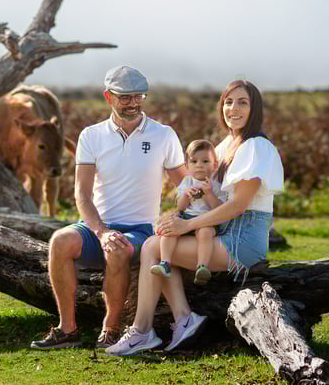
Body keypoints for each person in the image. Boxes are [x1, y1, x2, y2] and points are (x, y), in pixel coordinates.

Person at [106, 79, 284, 356]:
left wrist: (187, 224)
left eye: (242, 102)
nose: (233, 108)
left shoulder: (256, 146)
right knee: (161, 243)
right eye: (228, 101)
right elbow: (202, 191)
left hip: (243, 238)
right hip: (222, 231)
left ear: (255, 109)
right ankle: (182, 320)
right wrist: (177, 216)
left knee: (153, 246)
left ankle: (143, 331)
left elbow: (238, 206)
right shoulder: (226, 146)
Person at [30, 65, 187, 350]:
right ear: (108, 97)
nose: (133, 103)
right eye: (125, 97)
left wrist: (184, 217)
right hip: (96, 228)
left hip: (140, 231)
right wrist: (101, 231)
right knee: (59, 241)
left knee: (117, 249)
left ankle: (112, 328)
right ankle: (68, 330)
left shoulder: (164, 135)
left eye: (139, 96)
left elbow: (185, 185)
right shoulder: (91, 136)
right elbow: (82, 193)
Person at [150, 139, 227, 285]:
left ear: (214, 165)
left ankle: (202, 266)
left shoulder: (216, 184)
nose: (199, 165)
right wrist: (185, 195)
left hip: (207, 220)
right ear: (187, 165)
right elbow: (180, 207)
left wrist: (209, 193)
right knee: (170, 231)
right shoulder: (186, 182)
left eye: (205, 161)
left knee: (205, 234)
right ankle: (165, 262)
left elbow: (219, 209)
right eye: (194, 161)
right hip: (186, 218)